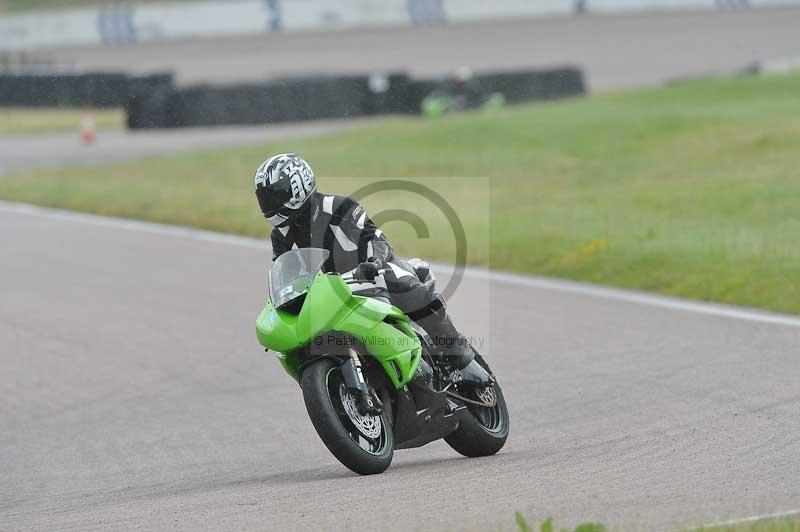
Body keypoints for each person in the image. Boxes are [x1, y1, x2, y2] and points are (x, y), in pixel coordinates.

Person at [254, 153, 491, 385]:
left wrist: (374, 263)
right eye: (263, 198)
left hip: (370, 273)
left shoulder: (337, 206)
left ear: (297, 187)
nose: (267, 205)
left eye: (273, 196)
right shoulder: (281, 235)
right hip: (332, 294)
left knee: (401, 282)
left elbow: (374, 237)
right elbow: (286, 271)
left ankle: (462, 358)